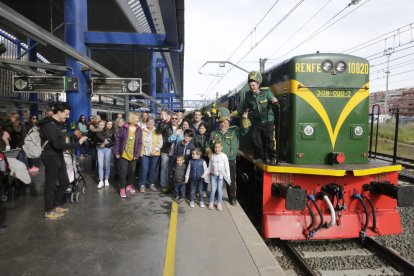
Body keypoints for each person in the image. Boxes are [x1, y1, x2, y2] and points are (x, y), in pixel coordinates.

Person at [38, 102, 88, 220]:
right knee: (50, 185)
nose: (68, 116)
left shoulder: (56, 124)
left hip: (58, 156)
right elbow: (57, 143)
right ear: (59, 112)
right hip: (50, 157)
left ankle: (55, 205)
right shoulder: (49, 125)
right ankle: (49, 211)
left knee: (65, 182)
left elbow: (59, 142)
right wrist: (77, 144)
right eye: (66, 114)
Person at [205, 108, 249, 206]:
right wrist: (209, 152)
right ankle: (216, 195)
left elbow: (245, 130)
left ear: (228, 122)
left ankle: (232, 197)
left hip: (230, 160)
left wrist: (245, 119)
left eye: (225, 122)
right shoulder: (214, 134)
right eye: (221, 122)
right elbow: (207, 145)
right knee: (216, 178)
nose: (223, 124)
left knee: (230, 179)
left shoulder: (235, 132)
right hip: (216, 161)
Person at [235, 70, 278, 164]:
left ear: (258, 84)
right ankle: (259, 156)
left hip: (268, 121)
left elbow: (272, 98)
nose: (252, 87)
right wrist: (238, 113)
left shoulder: (266, 92)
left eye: (254, 85)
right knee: (255, 139)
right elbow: (243, 107)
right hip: (257, 121)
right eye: (250, 86)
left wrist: (274, 100)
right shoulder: (249, 96)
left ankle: (273, 157)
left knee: (270, 140)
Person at [113, 112, 142, 198]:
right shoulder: (124, 128)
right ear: (132, 119)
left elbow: (140, 143)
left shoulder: (139, 129)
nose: (138, 120)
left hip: (133, 155)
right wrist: (117, 152)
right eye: (136, 119)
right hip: (123, 153)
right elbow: (118, 140)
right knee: (123, 171)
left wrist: (137, 154)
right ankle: (122, 188)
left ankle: (129, 186)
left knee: (132, 171)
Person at [138, 118, 162, 193]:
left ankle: (151, 183)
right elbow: (139, 141)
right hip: (144, 153)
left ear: (154, 123)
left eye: (152, 122)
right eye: (149, 122)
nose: (150, 123)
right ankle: (142, 184)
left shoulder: (157, 131)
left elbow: (161, 142)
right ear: (146, 123)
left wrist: (156, 149)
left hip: (155, 154)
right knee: (144, 169)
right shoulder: (142, 131)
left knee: (152, 170)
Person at [208, 142, 230, 211]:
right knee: (213, 190)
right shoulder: (212, 156)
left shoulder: (224, 156)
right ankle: (211, 203)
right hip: (213, 176)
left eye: (218, 147)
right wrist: (207, 174)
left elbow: (227, 167)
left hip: (220, 176)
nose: (217, 149)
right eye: (215, 147)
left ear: (221, 148)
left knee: (220, 190)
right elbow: (210, 166)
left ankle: (219, 203)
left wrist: (228, 176)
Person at [95, 120, 115, 188]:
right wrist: (102, 143)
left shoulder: (113, 132)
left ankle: (106, 179)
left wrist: (106, 145)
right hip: (100, 149)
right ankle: (101, 180)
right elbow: (96, 139)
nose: (109, 125)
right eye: (108, 124)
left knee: (107, 165)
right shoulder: (100, 130)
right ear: (105, 124)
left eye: (111, 124)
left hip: (108, 149)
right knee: (100, 165)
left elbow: (113, 142)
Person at [193, 122, 209, 197]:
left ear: (205, 129)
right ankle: (196, 190)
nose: (201, 129)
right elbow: (194, 146)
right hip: (198, 157)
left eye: (203, 128)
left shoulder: (208, 137)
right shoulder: (195, 136)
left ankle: (204, 190)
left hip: (206, 158)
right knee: (197, 174)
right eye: (200, 128)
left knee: (205, 174)